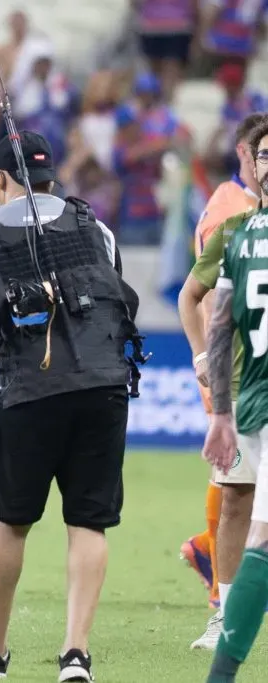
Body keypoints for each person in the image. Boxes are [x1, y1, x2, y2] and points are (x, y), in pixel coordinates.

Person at [0, 130, 137, 682]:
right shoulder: (96, 227)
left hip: (29, 392)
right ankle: (76, 653)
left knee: (11, 523)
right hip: (104, 388)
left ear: (0, 179)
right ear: (52, 179)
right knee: (88, 524)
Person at [177, 112, 266, 649]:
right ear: (251, 165)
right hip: (247, 391)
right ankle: (226, 616)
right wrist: (202, 360)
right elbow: (191, 295)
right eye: (264, 156)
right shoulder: (233, 229)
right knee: (236, 500)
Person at [202, 117, 268, 683]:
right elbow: (218, 327)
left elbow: (221, 325)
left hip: (250, 399)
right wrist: (221, 410)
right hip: (252, 399)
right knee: (254, 525)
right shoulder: (237, 231)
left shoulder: (243, 235)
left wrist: (221, 412)